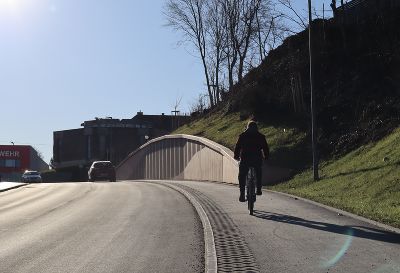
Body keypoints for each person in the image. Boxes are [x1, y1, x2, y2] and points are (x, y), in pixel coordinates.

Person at [234, 120, 269, 202]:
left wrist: (236, 156)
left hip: (245, 159)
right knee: (258, 172)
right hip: (256, 159)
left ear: (247, 127)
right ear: (256, 128)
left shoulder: (242, 135)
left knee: (242, 175)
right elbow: (265, 148)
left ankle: (242, 194)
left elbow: (237, 147)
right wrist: (266, 157)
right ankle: (259, 189)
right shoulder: (261, 136)